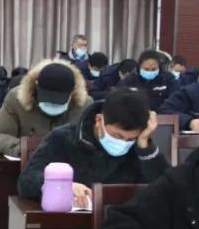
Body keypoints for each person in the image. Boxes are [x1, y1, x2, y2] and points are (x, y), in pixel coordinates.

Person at [17, 88, 167, 206]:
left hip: (125, 226)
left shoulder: (141, 146)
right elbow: (26, 181)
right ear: (99, 120)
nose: (123, 143)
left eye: (131, 139)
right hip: (72, 225)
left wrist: (145, 147)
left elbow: (167, 190)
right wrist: (63, 186)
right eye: (117, 136)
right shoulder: (63, 138)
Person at [0, 59, 90, 157]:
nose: (52, 104)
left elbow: (92, 143)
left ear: (72, 92)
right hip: (27, 163)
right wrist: (26, 148)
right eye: (47, 99)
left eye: (58, 101)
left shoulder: (85, 105)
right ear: (36, 86)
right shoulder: (16, 98)